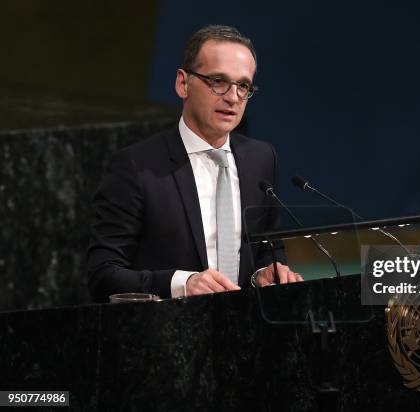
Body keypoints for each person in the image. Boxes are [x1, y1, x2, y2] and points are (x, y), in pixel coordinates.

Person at [87, 25, 302, 301]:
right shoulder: (135, 167)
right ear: (182, 84)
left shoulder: (261, 159)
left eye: (243, 86)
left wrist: (264, 271)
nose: (232, 97)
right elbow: (103, 275)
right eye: (218, 81)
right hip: (169, 333)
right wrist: (183, 284)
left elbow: (268, 247)